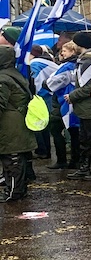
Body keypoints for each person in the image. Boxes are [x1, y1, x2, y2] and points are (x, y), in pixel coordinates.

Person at [65, 32, 91, 180]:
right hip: (85, 108)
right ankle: (85, 167)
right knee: (85, 139)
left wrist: (72, 96)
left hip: (90, 107)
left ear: (79, 44)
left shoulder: (89, 61)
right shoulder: (86, 59)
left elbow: (89, 87)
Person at [0, 45, 38, 202]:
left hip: (10, 125)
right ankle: (16, 189)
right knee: (15, 159)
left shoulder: (3, 78)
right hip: (17, 121)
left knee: (12, 160)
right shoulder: (16, 74)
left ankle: (14, 192)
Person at [45, 42, 81, 170]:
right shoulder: (80, 64)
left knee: (55, 129)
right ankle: (76, 160)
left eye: (64, 51)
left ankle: (62, 160)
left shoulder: (66, 66)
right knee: (75, 132)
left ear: (72, 51)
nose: (62, 53)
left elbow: (51, 82)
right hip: (76, 101)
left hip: (64, 102)